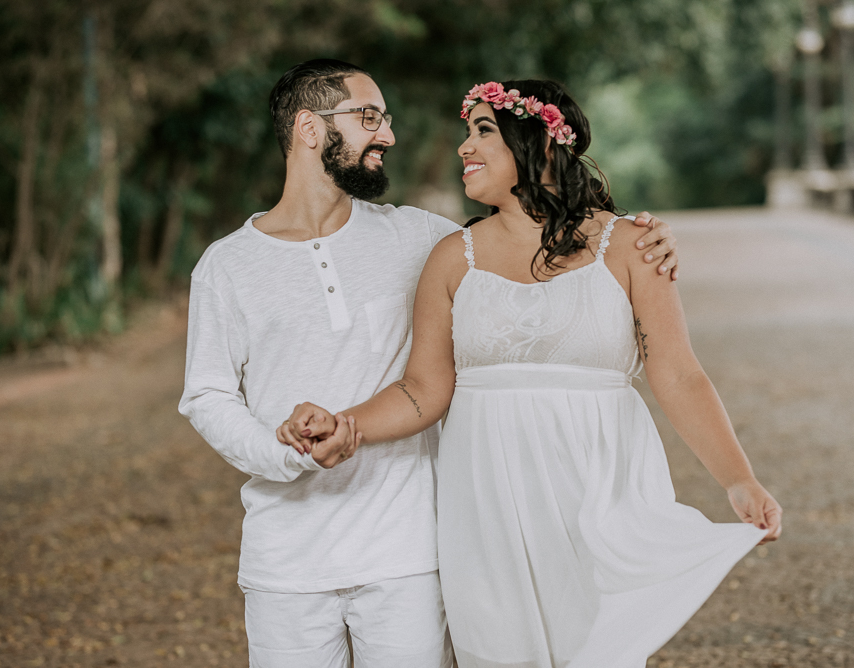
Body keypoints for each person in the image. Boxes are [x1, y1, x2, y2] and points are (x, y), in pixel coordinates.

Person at [180, 60, 680, 668]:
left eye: (385, 119)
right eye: (369, 118)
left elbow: (537, 238)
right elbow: (207, 395)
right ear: (309, 128)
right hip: (285, 558)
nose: (388, 135)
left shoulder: (423, 238)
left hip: (410, 554)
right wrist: (283, 454)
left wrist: (641, 234)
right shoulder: (227, 265)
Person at [280, 80, 782, 668]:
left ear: (542, 143)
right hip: (487, 498)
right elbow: (422, 391)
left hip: (599, 487)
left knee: (595, 649)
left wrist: (738, 479)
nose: (465, 146)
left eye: (483, 130)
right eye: (467, 132)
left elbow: (678, 374)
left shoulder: (631, 245)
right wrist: (346, 424)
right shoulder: (451, 257)